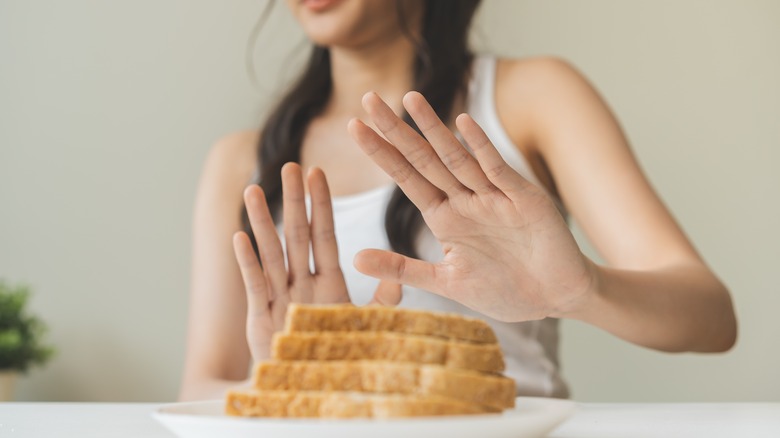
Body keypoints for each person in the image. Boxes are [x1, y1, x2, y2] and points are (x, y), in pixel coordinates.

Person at [178, 0, 737, 401]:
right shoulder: (240, 161)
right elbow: (202, 386)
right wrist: (316, 372)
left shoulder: (533, 96)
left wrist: (581, 290)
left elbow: (710, 318)